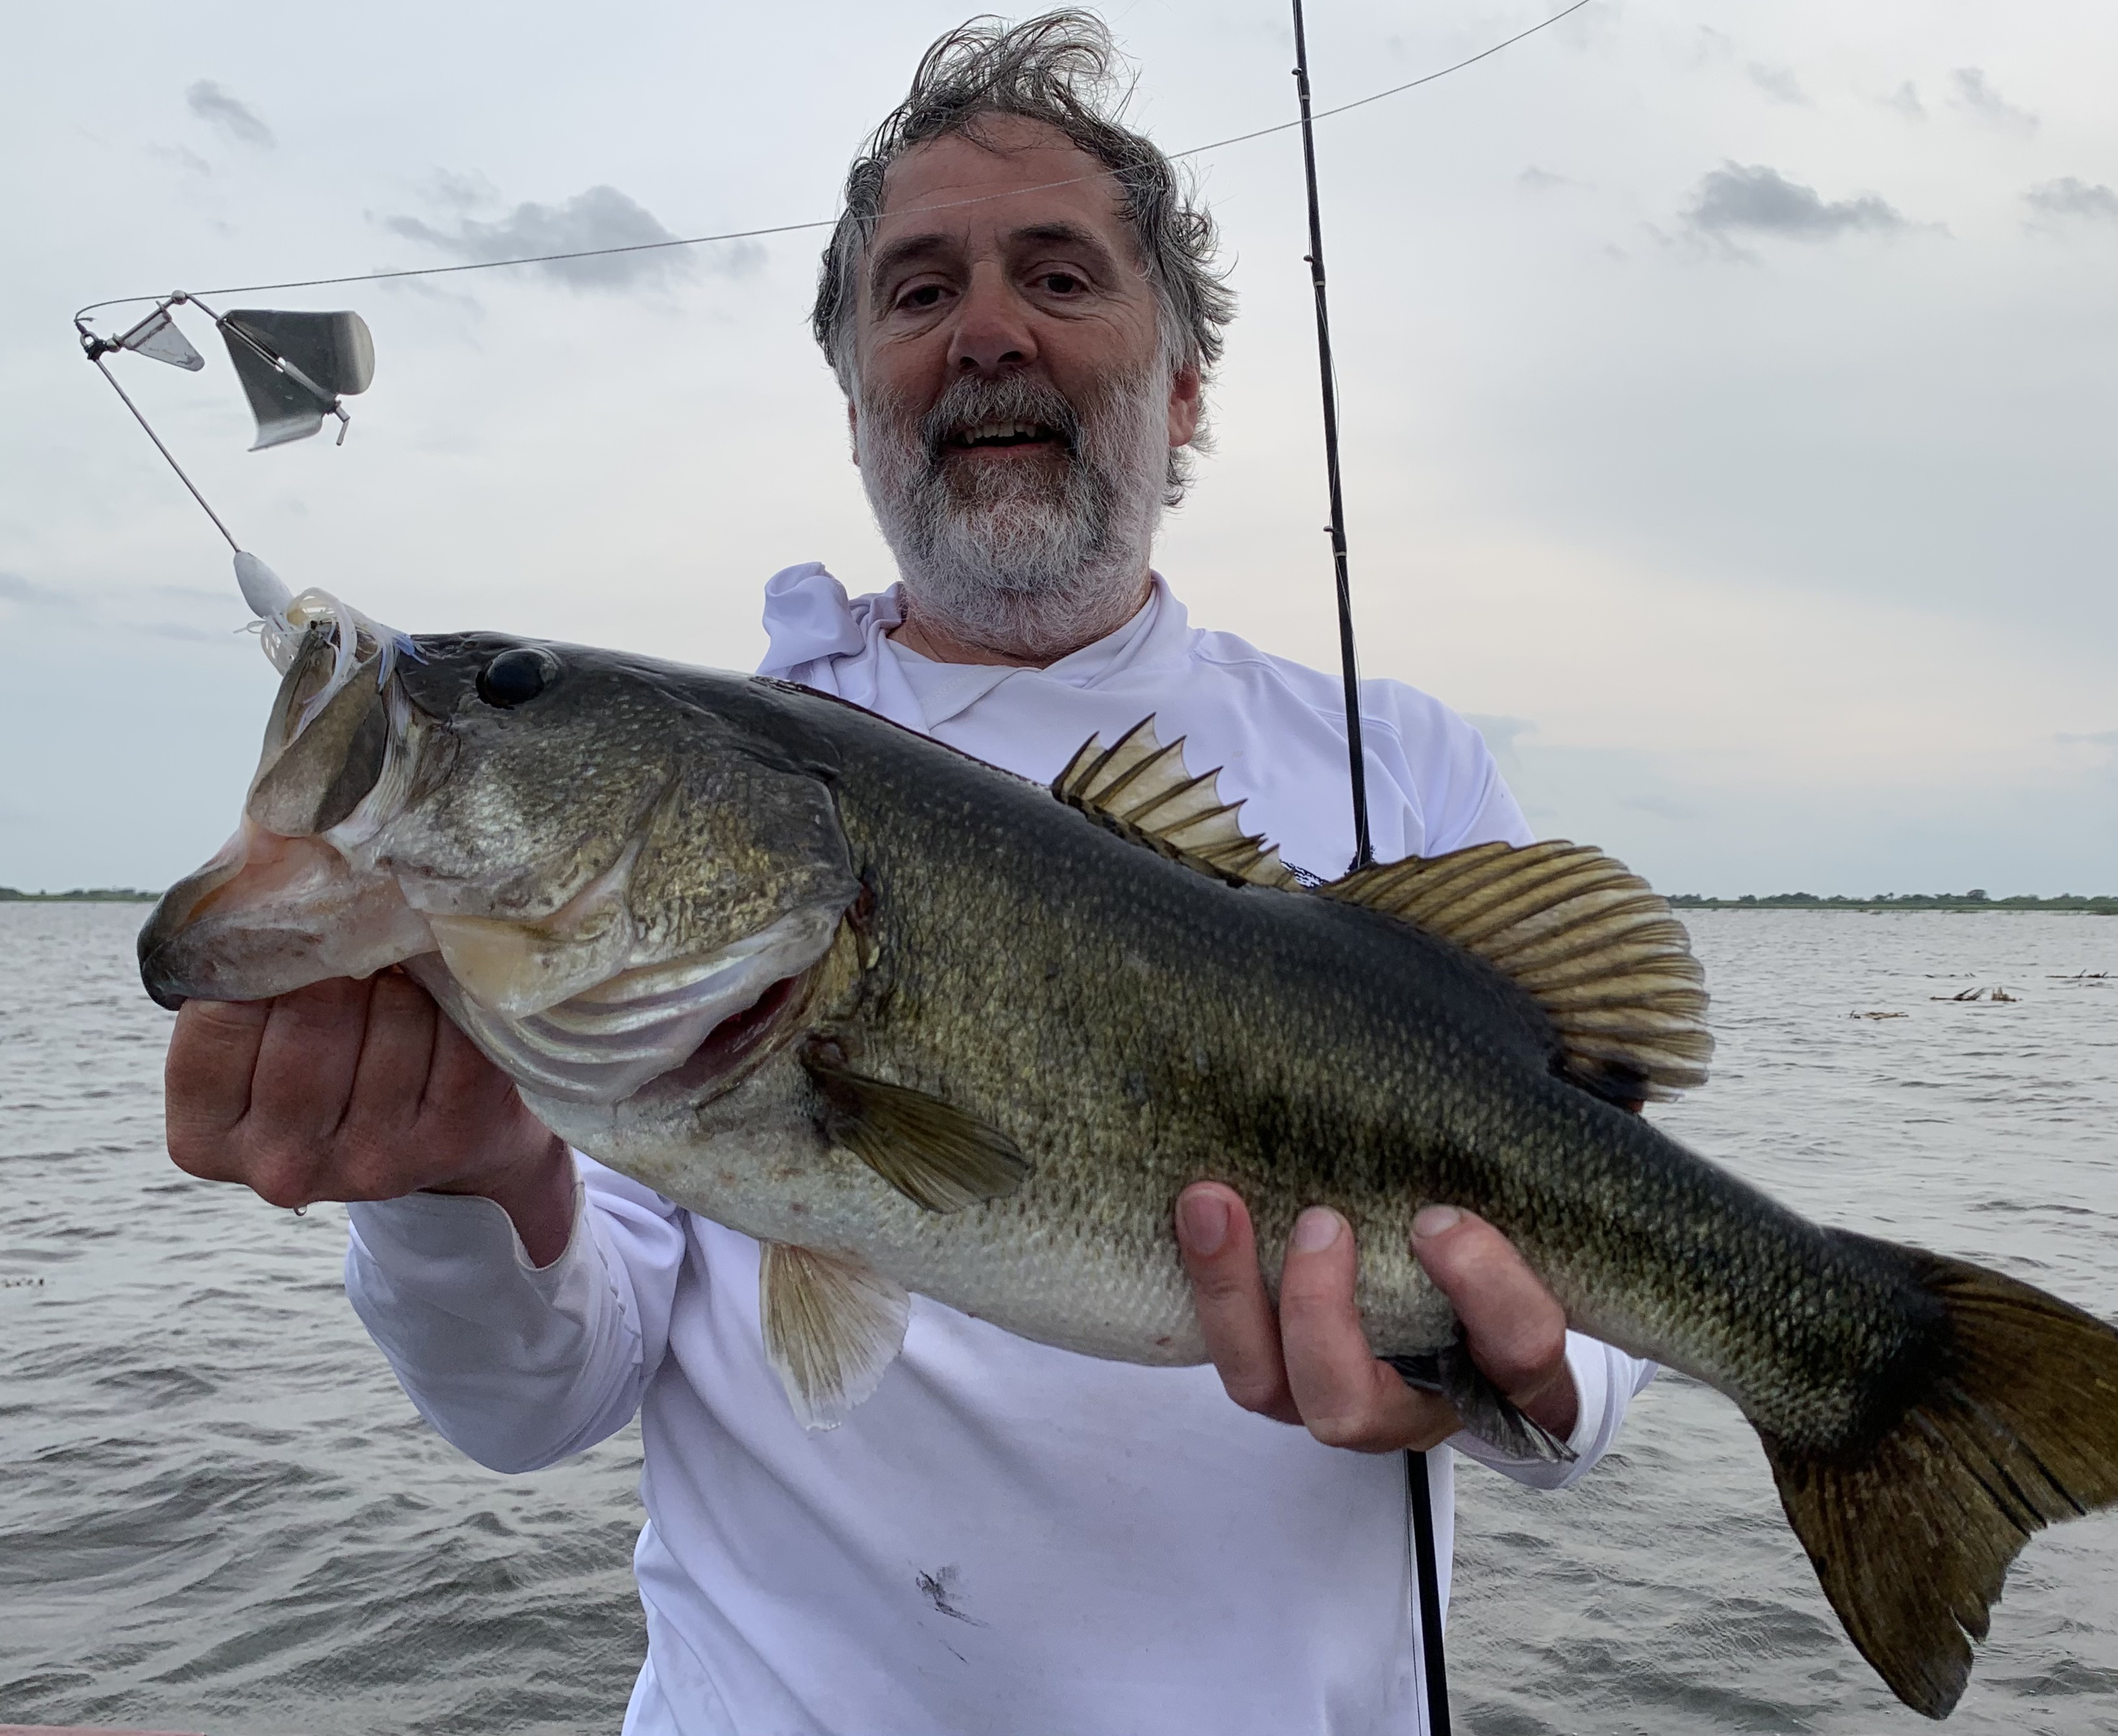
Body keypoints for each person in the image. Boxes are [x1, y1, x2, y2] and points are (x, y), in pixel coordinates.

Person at [162, 15, 1654, 1733]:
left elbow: (1611, 1324)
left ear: (1184, 386)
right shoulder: (692, 857)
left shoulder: (1401, 765)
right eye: (920, 290)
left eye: (1060, 278)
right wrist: (454, 1190)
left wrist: (1517, 1372)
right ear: (860, 397)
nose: (987, 332)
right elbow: (529, 1405)